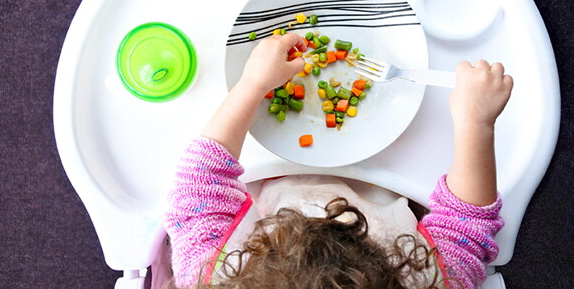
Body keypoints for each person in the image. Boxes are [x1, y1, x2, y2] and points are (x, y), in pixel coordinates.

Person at [163, 33, 513, 289]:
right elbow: (467, 223)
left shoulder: (207, 274)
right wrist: (476, 124)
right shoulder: (431, 282)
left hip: (269, 184)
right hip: (385, 185)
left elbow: (199, 182)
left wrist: (252, 84)